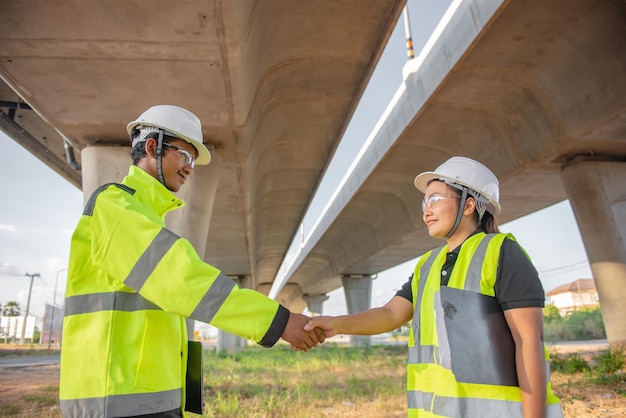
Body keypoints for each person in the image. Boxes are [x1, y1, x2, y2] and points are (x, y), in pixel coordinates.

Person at [59, 104, 324, 418]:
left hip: (145, 399)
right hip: (116, 401)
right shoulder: (115, 206)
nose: (189, 169)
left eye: (194, 161)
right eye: (184, 156)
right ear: (152, 147)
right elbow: (182, 279)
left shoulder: (147, 218)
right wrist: (277, 321)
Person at [305, 156, 563, 418]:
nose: (426, 210)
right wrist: (336, 324)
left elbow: (528, 340)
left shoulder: (501, 252)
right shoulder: (427, 265)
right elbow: (391, 314)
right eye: (424, 202)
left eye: (436, 199)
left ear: (469, 205)